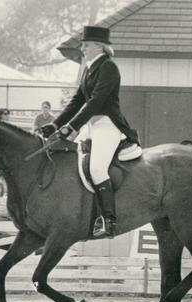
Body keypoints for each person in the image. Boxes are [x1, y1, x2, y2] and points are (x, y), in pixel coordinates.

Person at [40, 25, 141, 238]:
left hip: (107, 124)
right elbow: (77, 100)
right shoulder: (89, 68)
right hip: (91, 126)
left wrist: (72, 126)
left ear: (99, 46)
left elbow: (95, 102)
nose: (82, 48)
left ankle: (109, 220)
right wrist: (56, 124)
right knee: (71, 162)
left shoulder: (108, 67)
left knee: (96, 169)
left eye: (86, 45)